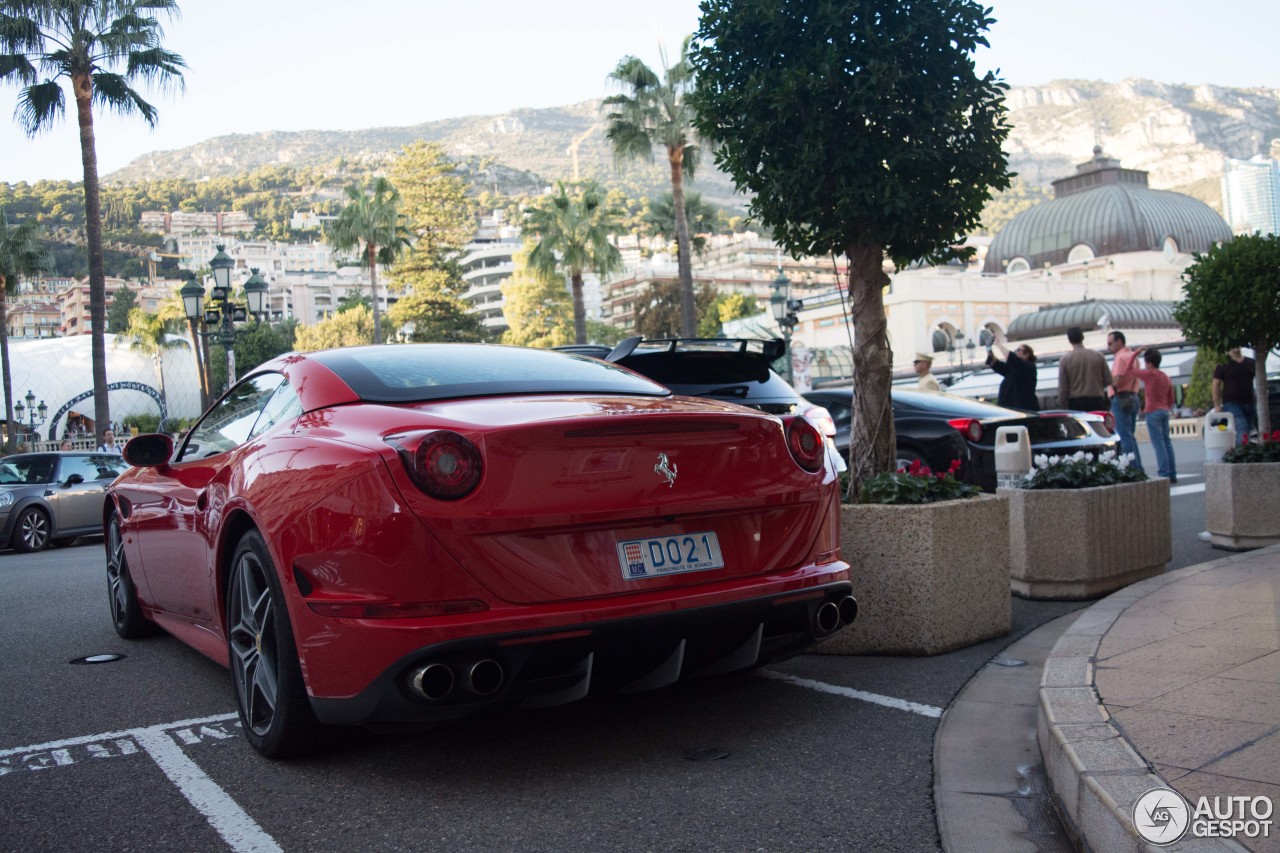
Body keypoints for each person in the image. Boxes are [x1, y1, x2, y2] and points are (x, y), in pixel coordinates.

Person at [1130, 347, 1177, 482]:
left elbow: (1129, 371)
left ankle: (1163, 473)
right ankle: (1172, 473)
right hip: (1164, 410)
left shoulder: (1149, 374)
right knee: (1167, 442)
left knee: (1158, 444)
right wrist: (1167, 407)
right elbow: (1171, 398)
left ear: (1149, 362)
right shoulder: (1165, 376)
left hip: (1152, 411)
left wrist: (1136, 353)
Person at [1106, 330, 1144, 472]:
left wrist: (1108, 382)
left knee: (1123, 436)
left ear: (1119, 342)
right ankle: (1137, 466)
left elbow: (1117, 378)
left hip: (1121, 397)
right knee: (1130, 436)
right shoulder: (1133, 357)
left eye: (1110, 343)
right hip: (1133, 396)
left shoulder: (1120, 357)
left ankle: (1132, 468)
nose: (1108, 346)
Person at [1057, 326, 1111, 411]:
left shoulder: (1065, 360)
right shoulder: (1098, 356)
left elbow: (1063, 387)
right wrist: (1097, 385)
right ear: (1083, 337)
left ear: (1069, 340)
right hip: (1097, 400)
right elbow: (1108, 380)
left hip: (1075, 402)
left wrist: (1062, 405)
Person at [1212, 348, 1257, 445]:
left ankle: (1239, 454)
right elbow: (1216, 384)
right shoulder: (1223, 363)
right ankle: (1242, 456)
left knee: (1247, 431)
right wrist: (1217, 405)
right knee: (1242, 430)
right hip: (1232, 403)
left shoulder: (1251, 362)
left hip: (1250, 401)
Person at [986, 331, 1039, 410]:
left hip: (1023, 409)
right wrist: (989, 349)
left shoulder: (1029, 367)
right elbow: (994, 363)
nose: (1015, 352)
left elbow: (1012, 358)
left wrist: (998, 344)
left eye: (1018, 350)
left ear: (1027, 354)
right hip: (1009, 409)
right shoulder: (1013, 369)